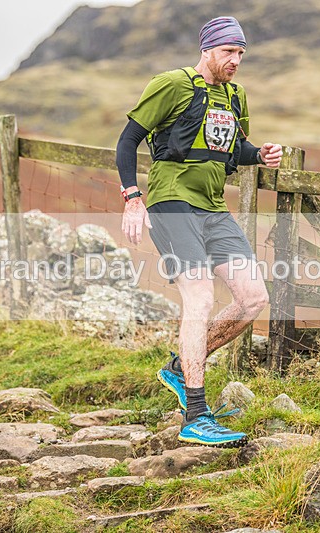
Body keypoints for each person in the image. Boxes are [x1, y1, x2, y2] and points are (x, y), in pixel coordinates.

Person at [116, 16, 282, 448]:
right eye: (228, 51)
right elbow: (128, 140)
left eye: (241, 52)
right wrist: (132, 196)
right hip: (172, 203)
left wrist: (259, 154)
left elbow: (231, 149)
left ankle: (180, 368)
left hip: (213, 208)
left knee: (253, 298)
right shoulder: (171, 84)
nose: (236, 60)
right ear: (206, 49)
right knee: (201, 297)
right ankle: (196, 414)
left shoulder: (235, 96)